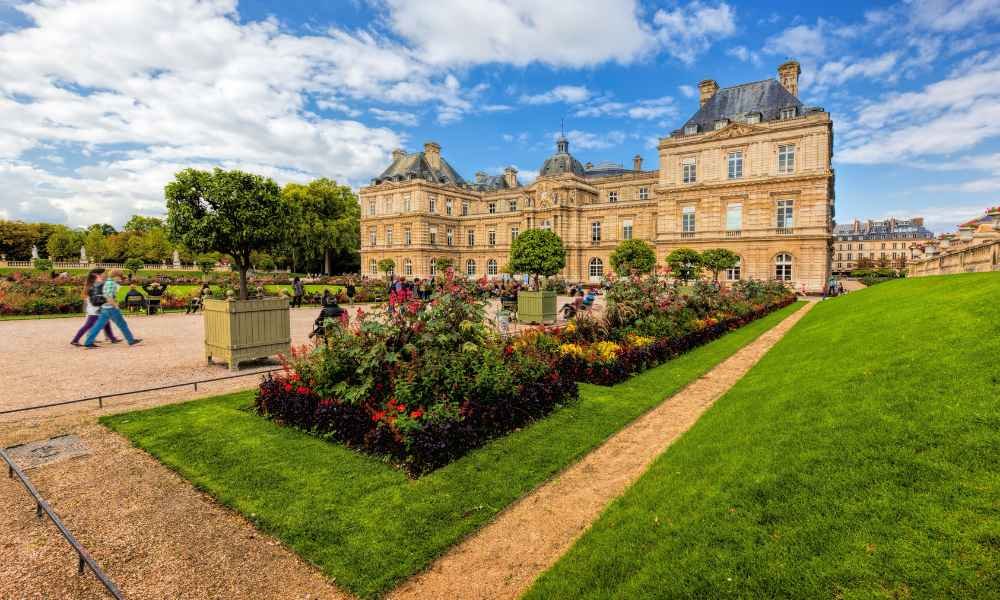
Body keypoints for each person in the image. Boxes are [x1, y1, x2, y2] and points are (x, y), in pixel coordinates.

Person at [82, 270, 141, 347]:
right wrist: (115, 305)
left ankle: (88, 342)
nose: (120, 279)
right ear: (115, 276)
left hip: (105, 307)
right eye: (120, 277)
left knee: (98, 325)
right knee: (122, 324)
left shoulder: (107, 282)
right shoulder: (111, 283)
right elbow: (108, 296)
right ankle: (130, 340)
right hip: (111, 308)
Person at [70, 270, 119, 346]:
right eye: (100, 275)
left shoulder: (92, 285)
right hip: (94, 309)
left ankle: (112, 338)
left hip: (94, 308)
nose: (102, 276)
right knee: (88, 326)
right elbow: (96, 299)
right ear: (96, 276)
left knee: (106, 322)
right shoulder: (94, 286)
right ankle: (76, 340)